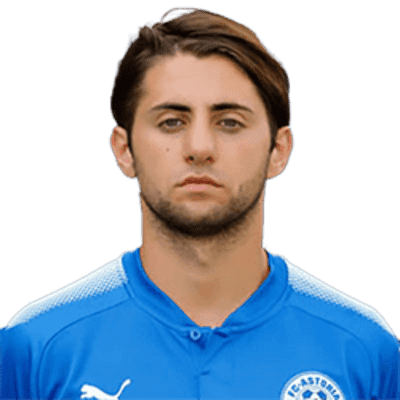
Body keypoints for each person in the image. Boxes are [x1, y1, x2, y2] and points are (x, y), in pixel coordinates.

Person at [0, 6, 398, 400]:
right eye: (172, 122)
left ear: (278, 150)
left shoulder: (364, 347)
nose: (200, 147)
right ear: (124, 150)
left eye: (230, 122)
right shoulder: (36, 346)